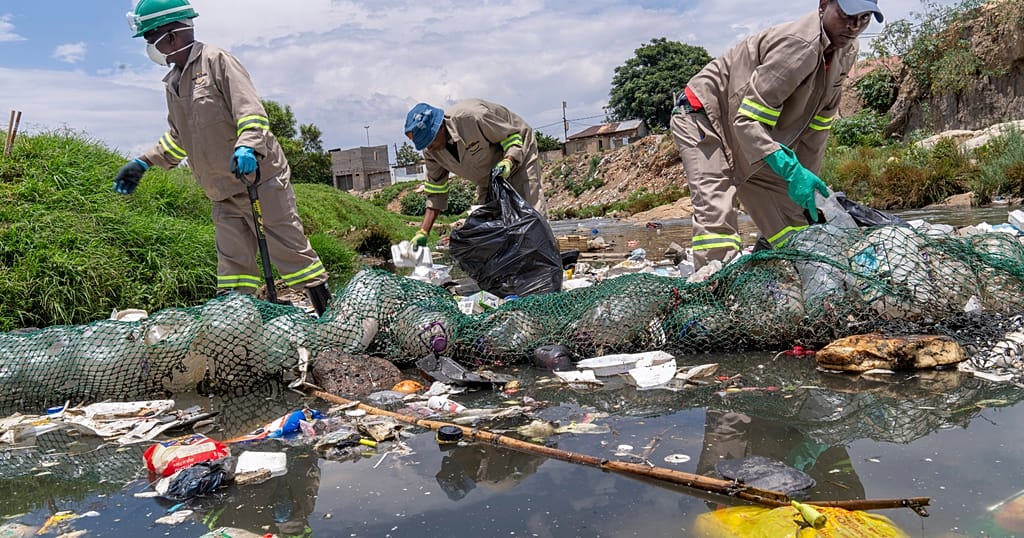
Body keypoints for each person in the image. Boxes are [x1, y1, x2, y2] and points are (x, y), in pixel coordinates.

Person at [113, 0, 332, 316]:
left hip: (258, 179)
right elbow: (178, 140)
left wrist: (248, 148)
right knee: (233, 266)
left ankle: (329, 318)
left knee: (291, 252)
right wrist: (145, 161)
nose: (150, 48)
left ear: (172, 36)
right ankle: (237, 327)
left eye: (151, 39)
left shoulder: (217, 62)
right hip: (221, 191)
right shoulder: (173, 83)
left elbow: (251, 113)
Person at [670, 0, 884, 271]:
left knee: (793, 219)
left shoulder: (846, 50)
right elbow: (747, 120)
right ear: (824, 5)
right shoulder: (799, 46)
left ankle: (784, 275)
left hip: (749, 131)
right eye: (847, 14)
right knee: (716, 206)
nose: (854, 26)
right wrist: (791, 171)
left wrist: (806, 183)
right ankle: (713, 288)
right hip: (703, 115)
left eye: (864, 18)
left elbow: (818, 126)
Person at [403, 99, 547, 246]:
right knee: (488, 225)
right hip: (487, 175)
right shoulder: (432, 152)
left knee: (530, 214)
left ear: (440, 127)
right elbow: (435, 192)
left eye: (431, 142)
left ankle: (545, 263)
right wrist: (423, 232)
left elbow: (511, 137)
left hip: (518, 151)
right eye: (425, 145)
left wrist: (508, 161)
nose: (430, 148)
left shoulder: (472, 118)